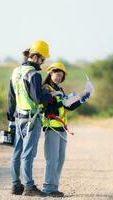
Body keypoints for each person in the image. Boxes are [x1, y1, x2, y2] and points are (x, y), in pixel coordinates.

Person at [7, 40, 54, 197]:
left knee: (17, 151)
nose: (43, 62)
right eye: (43, 59)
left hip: (18, 118)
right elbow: (38, 98)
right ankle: (29, 187)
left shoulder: (15, 72)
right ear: (36, 57)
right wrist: (49, 95)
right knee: (28, 153)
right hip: (32, 119)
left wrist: (11, 119)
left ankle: (16, 185)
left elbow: (11, 98)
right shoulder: (33, 75)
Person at [41, 63, 91, 197]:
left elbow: (67, 107)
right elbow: (47, 106)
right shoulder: (46, 88)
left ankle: (54, 187)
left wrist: (82, 99)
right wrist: (58, 99)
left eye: (61, 76)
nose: (59, 77)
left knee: (60, 159)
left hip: (62, 128)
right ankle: (47, 188)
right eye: (57, 74)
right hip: (51, 127)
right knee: (52, 159)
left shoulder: (59, 89)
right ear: (51, 73)